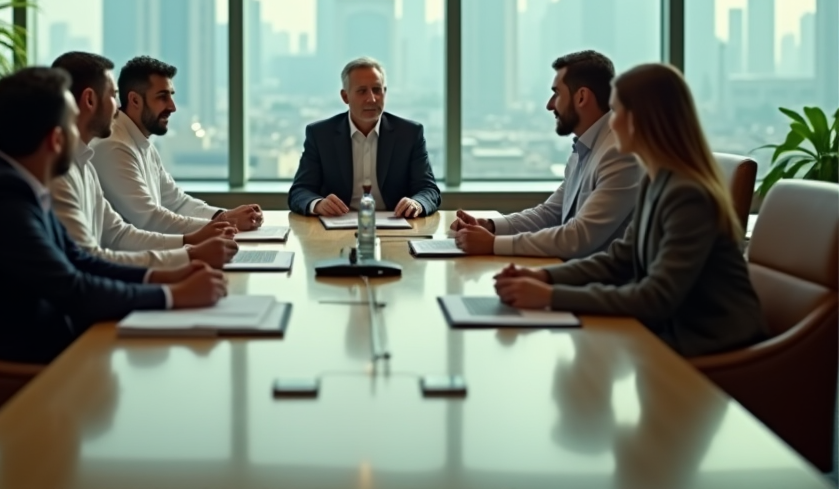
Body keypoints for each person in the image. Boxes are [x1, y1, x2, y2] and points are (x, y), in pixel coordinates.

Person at [0, 67, 227, 365]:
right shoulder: (2, 197)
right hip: (15, 363)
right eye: (72, 124)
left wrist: (166, 276)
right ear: (56, 139)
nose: (81, 136)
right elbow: (73, 289)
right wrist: (171, 296)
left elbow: (81, 261)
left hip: (46, 339)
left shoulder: (17, 183)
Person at [493, 62, 768, 358]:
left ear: (639, 120)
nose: (610, 123)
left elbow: (655, 297)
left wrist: (551, 296)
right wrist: (545, 278)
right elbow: (618, 261)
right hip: (670, 335)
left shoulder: (689, 195)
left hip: (710, 348)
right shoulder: (657, 181)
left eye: (616, 111)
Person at [50, 52, 238, 270]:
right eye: (113, 96)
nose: (116, 108)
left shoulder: (86, 162)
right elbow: (94, 257)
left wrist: (198, 239)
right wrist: (191, 252)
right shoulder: (100, 151)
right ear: (90, 99)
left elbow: (120, 233)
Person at [452, 51, 641, 258]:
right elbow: (551, 214)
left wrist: (494, 244)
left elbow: (579, 236)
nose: (550, 105)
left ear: (581, 97)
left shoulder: (619, 152)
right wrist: (490, 226)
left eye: (557, 93)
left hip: (604, 285)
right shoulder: (586, 147)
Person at [92, 56, 263, 235]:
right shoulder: (113, 146)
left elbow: (176, 202)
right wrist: (226, 222)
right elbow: (150, 219)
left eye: (171, 96)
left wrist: (224, 215)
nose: (172, 107)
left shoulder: (141, 140)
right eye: (162, 97)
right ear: (135, 100)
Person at [288, 57, 441, 217]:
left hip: (396, 226)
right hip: (337, 229)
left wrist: (416, 203)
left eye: (377, 89)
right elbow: (300, 191)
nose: (372, 98)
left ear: (385, 92)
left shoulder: (409, 134)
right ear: (345, 96)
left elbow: (428, 190)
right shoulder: (321, 135)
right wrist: (318, 204)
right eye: (362, 91)